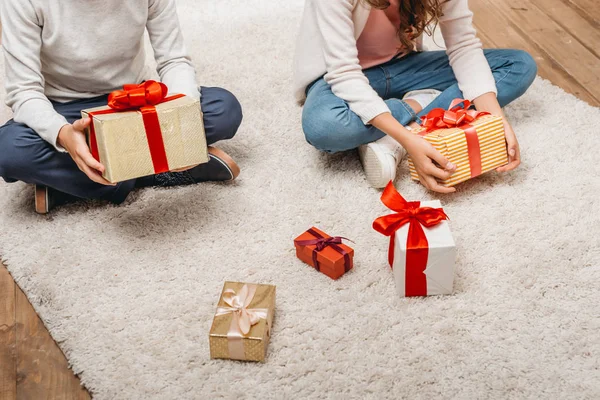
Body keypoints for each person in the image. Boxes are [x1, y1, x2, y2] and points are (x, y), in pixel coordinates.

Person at [0, 0, 243, 214]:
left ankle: (73, 187)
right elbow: (24, 92)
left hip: (134, 101)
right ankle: (155, 172)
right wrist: (64, 136)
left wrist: (182, 119)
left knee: (223, 109)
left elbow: (173, 60)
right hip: (68, 113)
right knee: (9, 151)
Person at [294, 0, 537, 192]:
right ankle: (419, 105)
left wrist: (494, 117)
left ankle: (395, 135)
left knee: (519, 65)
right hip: (338, 75)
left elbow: (463, 45)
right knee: (324, 127)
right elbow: (344, 73)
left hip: (406, 66)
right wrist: (411, 142)